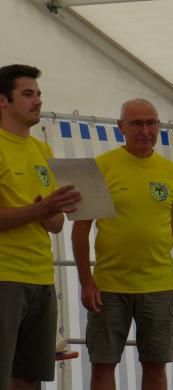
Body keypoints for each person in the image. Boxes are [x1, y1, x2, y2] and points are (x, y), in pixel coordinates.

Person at [72, 98, 173, 390]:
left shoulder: (171, 171)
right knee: (103, 365)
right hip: (108, 287)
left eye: (152, 123)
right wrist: (86, 282)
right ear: (121, 127)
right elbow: (80, 230)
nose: (146, 130)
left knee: (156, 367)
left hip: (158, 287)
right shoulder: (100, 167)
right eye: (137, 123)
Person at [0, 64, 81, 390]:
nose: (37, 101)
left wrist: (51, 211)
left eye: (38, 94)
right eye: (27, 94)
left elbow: (56, 225)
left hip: (42, 278)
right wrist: (40, 209)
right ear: (3, 101)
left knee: (29, 376)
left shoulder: (42, 149)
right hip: (5, 276)